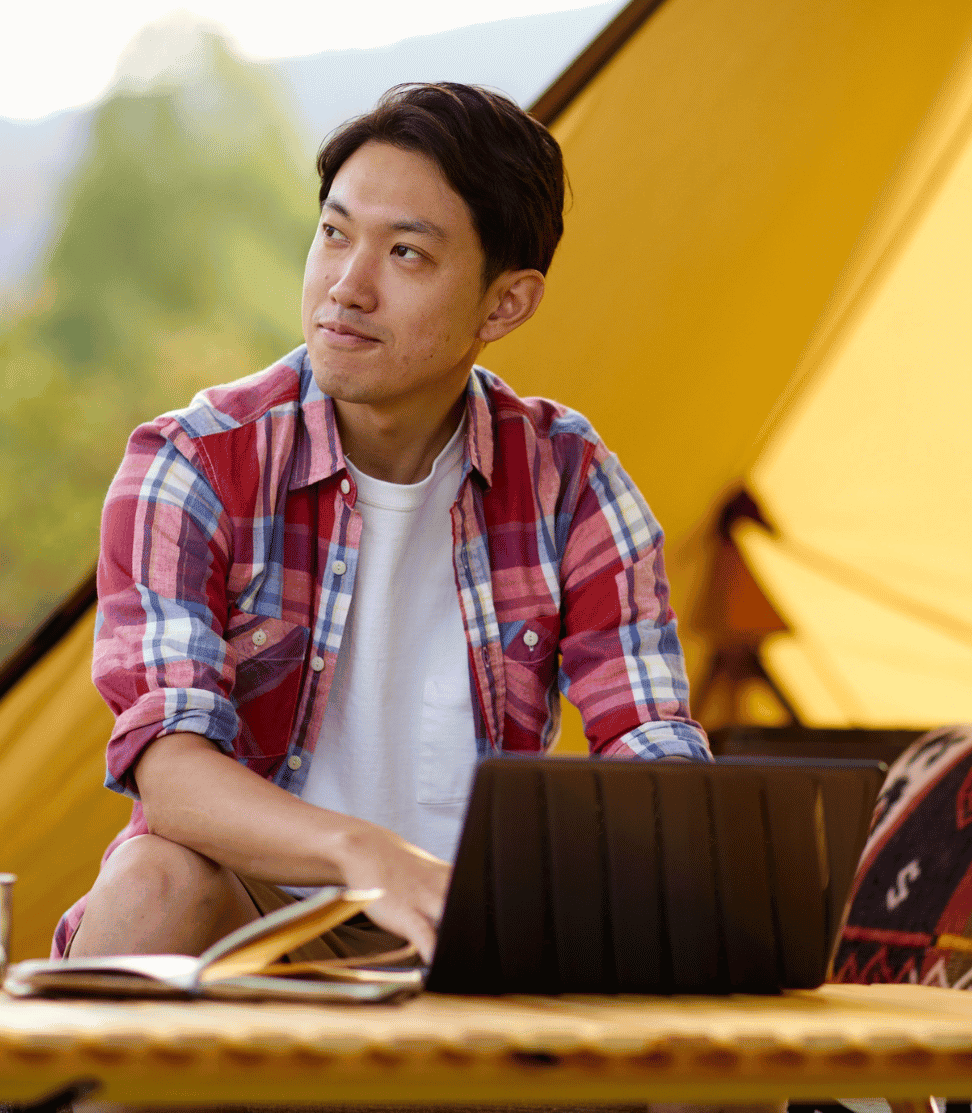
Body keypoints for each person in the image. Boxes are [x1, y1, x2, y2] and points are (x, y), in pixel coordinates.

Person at [54, 82, 710, 964]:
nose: (346, 287)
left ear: (504, 304)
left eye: (406, 253)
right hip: (262, 929)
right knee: (154, 879)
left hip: (481, 935)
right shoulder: (196, 465)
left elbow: (648, 742)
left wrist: (688, 856)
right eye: (334, 233)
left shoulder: (570, 478)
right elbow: (168, 770)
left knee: (687, 939)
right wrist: (368, 856)